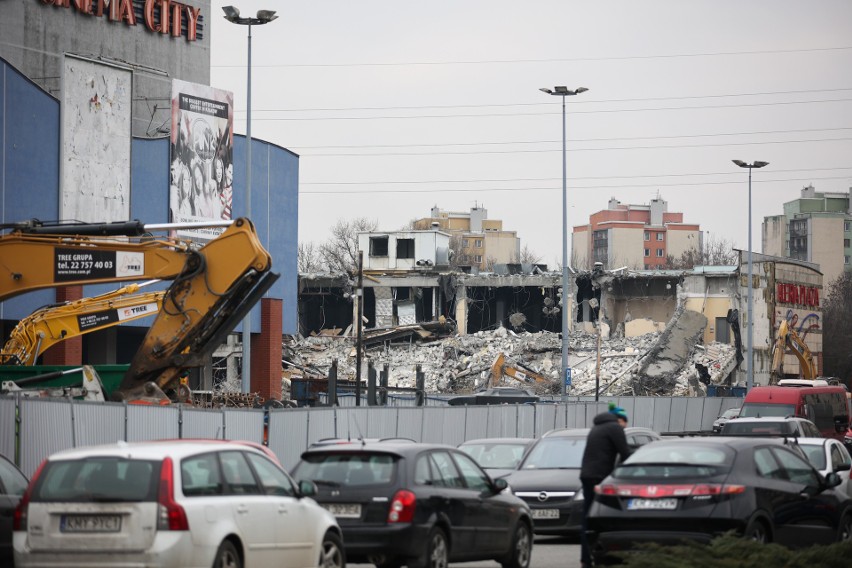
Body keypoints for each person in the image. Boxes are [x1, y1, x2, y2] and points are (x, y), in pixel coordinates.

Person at [578, 402, 632, 568]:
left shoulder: (597, 427)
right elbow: (625, 454)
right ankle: (609, 555)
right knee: (605, 517)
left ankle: (586, 559)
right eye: (625, 422)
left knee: (588, 518)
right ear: (620, 420)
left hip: (587, 476)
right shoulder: (614, 428)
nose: (625, 427)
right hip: (600, 478)